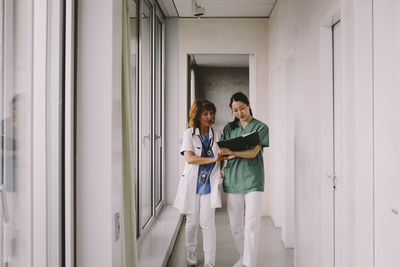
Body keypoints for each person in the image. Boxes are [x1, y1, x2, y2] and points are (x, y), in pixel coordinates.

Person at [218, 92, 269, 267]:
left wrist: (232, 152)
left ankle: (249, 264)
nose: (239, 113)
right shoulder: (228, 129)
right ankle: (243, 256)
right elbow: (222, 154)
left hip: (253, 179)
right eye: (235, 110)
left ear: (248, 105)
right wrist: (220, 166)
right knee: (235, 226)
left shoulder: (261, 127)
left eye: (242, 108)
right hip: (233, 178)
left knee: (251, 225)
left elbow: (254, 152)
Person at [173, 99, 224, 267]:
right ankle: (191, 251)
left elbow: (221, 159)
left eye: (211, 113)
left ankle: (210, 262)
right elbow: (189, 158)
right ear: (197, 116)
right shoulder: (189, 133)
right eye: (205, 114)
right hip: (192, 184)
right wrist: (212, 159)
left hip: (209, 185)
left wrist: (223, 169)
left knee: (208, 224)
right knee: (192, 222)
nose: (210, 117)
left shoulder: (216, 135)